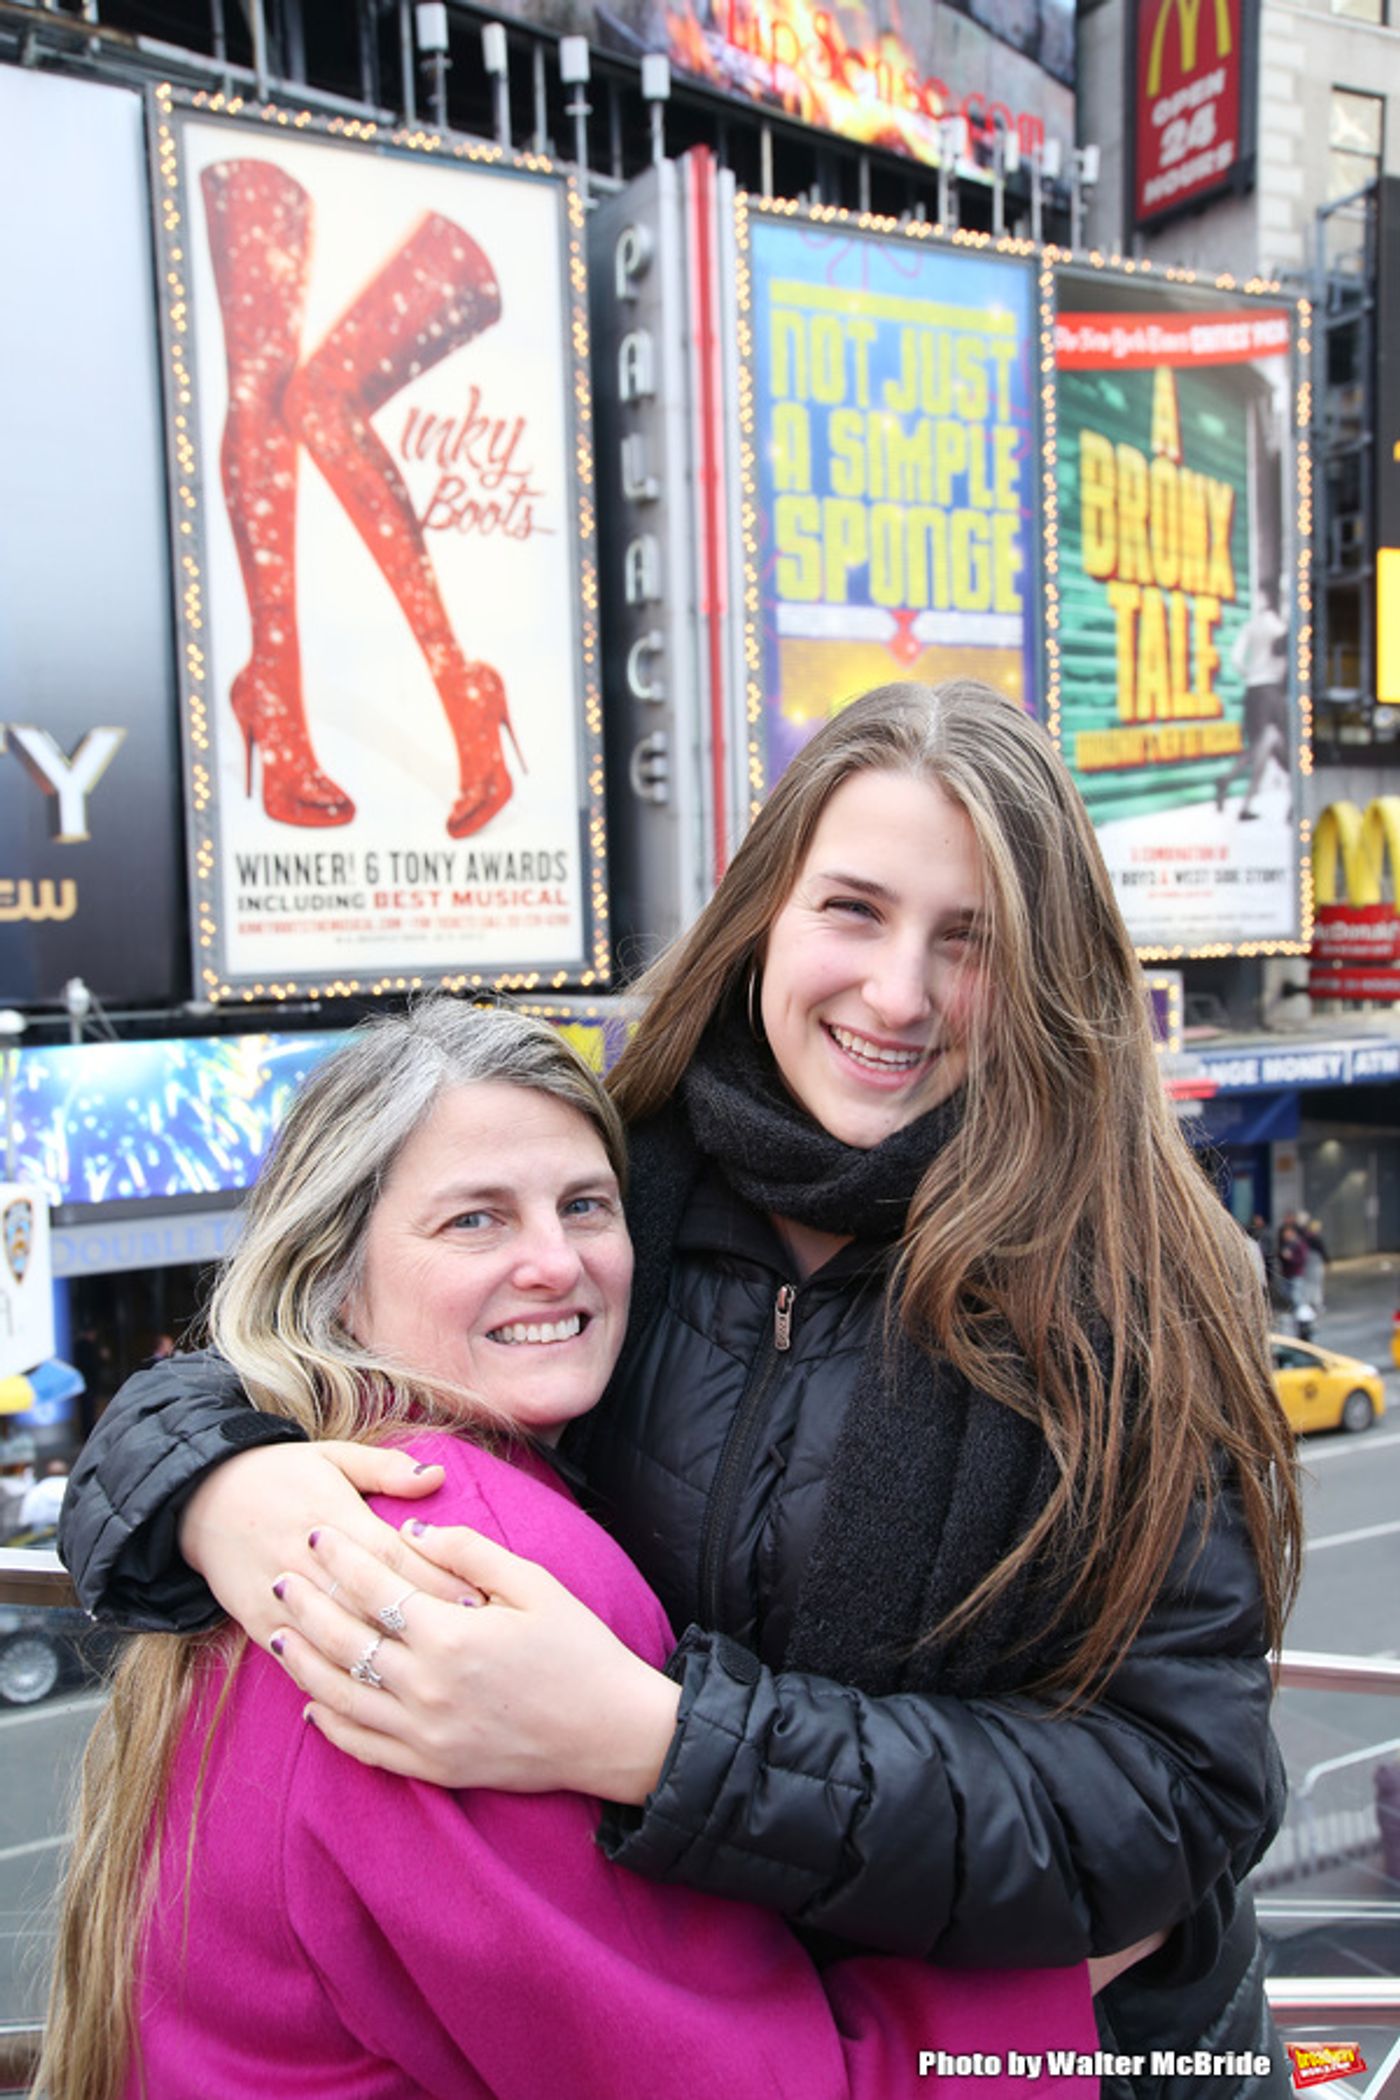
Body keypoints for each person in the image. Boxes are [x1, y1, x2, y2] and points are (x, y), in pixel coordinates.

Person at [61, 681, 1303, 2099]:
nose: (897, 995)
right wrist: (220, 1483)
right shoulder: (614, 1190)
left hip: (1068, 2052)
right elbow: (271, 1343)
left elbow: (1178, 1795)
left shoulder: (1129, 1282)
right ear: (764, 910)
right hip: (748, 2038)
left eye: (969, 941)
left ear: (1048, 972)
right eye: (853, 909)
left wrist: (655, 1741)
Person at [39, 1002, 1101, 2100]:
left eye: (585, 1206)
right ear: (337, 1273)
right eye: (474, 1222)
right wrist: (1061, 1982)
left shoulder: (333, 1473)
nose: (555, 1263)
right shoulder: (466, 1563)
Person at [1216, 580, 1289, 823]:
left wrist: (1250, 674)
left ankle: (1228, 779)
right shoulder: (1278, 628)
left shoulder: (1251, 626)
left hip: (1254, 691)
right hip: (1270, 691)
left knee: (1262, 745)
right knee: (1267, 746)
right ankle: (1246, 803)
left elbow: (1236, 657)